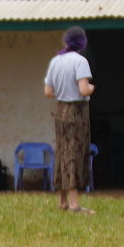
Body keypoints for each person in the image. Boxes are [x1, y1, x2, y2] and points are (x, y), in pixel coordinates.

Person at [41, 28, 95, 214]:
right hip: (77, 111)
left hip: (61, 109)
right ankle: (74, 203)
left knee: (62, 152)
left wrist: (63, 92)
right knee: (75, 153)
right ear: (82, 43)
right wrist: (92, 88)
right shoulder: (80, 61)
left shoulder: (55, 61)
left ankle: (62, 200)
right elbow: (83, 90)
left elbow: (48, 92)